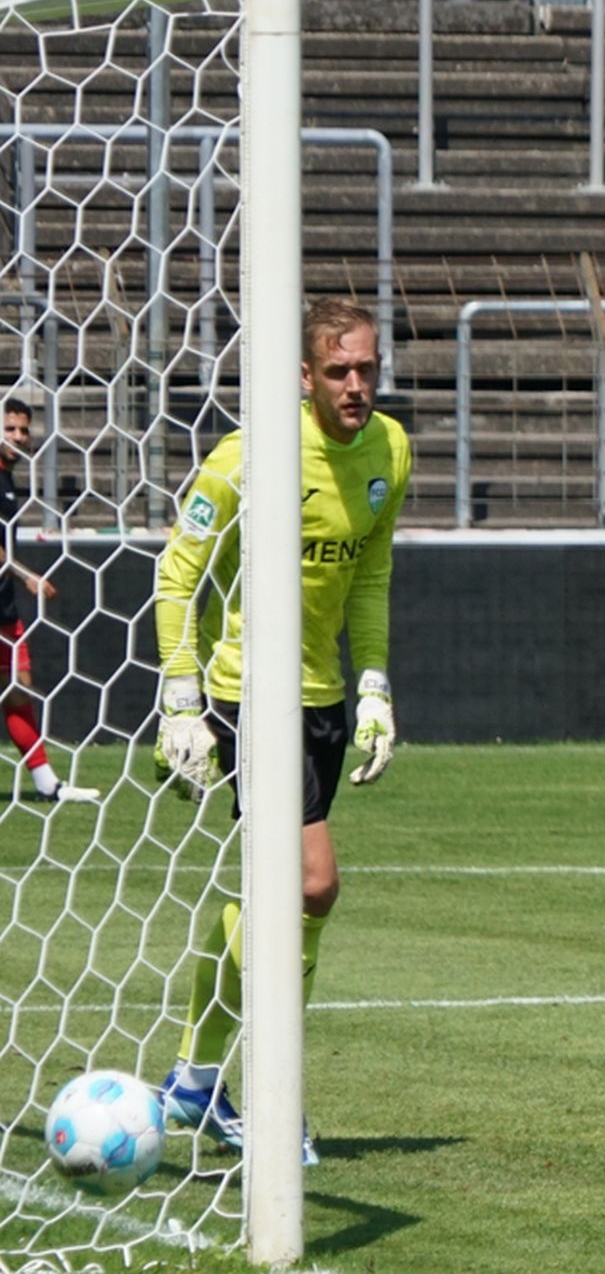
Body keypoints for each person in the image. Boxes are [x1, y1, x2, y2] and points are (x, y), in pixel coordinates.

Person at [151, 298, 411, 1167]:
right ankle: (271, 1095)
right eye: (338, 370)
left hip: (321, 699)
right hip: (248, 694)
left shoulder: (391, 450)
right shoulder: (248, 455)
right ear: (303, 375)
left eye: (367, 368)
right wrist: (181, 697)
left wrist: (372, 685)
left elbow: (370, 573)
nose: (356, 385)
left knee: (280, 896)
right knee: (313, 882)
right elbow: (178, 574)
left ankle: (195, 1079)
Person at [0, 397, 99, 804]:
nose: (18, 437)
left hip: (4, 608)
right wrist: (28, 576)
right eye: (10, 429)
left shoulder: (7, 479)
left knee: (18, 691)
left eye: (23, 430)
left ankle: (46, 785)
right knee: (15, 690)